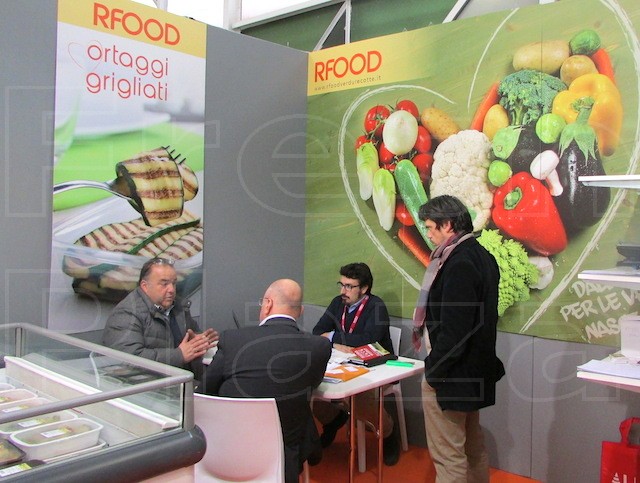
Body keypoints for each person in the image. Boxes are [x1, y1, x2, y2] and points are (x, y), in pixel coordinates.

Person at [413, 195, 505, 483]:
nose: (428, 234)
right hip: (473, 372)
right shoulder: (481, 255)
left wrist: (433, 373)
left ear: (448, 225)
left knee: (449, 458)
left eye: (430, 227)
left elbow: (456, 331)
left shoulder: (459, 263)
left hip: (452, 376)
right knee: (472, 448)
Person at [204, 279, 331, 483]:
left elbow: (205, 390)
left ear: (267, 304)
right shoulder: (319, 347)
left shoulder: (232, 339)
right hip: (283, 457)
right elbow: (313, 384)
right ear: (300, 311)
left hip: (226, 452)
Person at [312, 262, 400, 466]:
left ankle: (388, 433)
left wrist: (334, 336)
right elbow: (317, 331)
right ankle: (333, 420)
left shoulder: (376, 307)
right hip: (343, 364)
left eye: (349, 286)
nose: (343, 291)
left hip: (377, 367)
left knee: (361, 399)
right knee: (312, 388)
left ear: (364, 288)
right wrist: (341, 343)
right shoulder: (337, 303)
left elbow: (369, 339)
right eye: (341, 285)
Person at [102, 257, 218, 383]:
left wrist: (198, 343)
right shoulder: (126, 314)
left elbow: (190, 338)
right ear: (145, 286)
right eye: (164, 284)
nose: (171, 290)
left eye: (174, 283)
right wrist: (179, 355)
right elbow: (128, 360)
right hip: (145, 387)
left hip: (181, 382)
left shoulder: (178, 307)